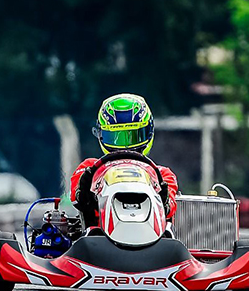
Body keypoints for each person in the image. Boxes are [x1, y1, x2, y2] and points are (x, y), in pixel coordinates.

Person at [69, 93, 179, 224]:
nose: (125, 147)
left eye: (132, 136)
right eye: (116, 138)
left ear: (148, 131)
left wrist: (162, 199)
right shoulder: (90, 168)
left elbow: (170, 209)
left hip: (152, 237)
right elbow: (75, 198)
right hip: (98, 236)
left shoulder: (162, 175)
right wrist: (86, 193)